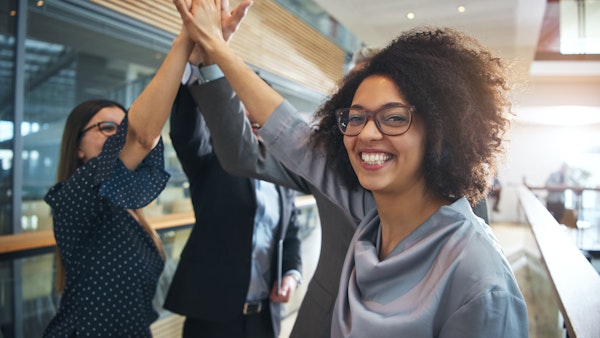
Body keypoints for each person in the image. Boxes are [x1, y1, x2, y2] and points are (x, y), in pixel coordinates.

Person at [174, 1, 529, 336]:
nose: (368, 133)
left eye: (393, 117)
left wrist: (217, 47)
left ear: (441, 129)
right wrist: (215, 50)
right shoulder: (372, 225)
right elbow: (290, 133)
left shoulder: (479, 280)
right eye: (356, 116)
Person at [42, 11, 195, 337]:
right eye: (107, 127)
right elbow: (141, 135)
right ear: (78, 146)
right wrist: (186, 41)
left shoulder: (129, 205)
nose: (118, 136)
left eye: (122, 126)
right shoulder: (71, 197)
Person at [163, 71, 303, 338]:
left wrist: (292, 273)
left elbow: (292, 232)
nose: (251, 114)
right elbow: (187, 135)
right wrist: (195, 76)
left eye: (259, 106)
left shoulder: (283, 171)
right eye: (243, 104)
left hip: (265, 318)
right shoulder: (211, 156)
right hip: (212, 316)